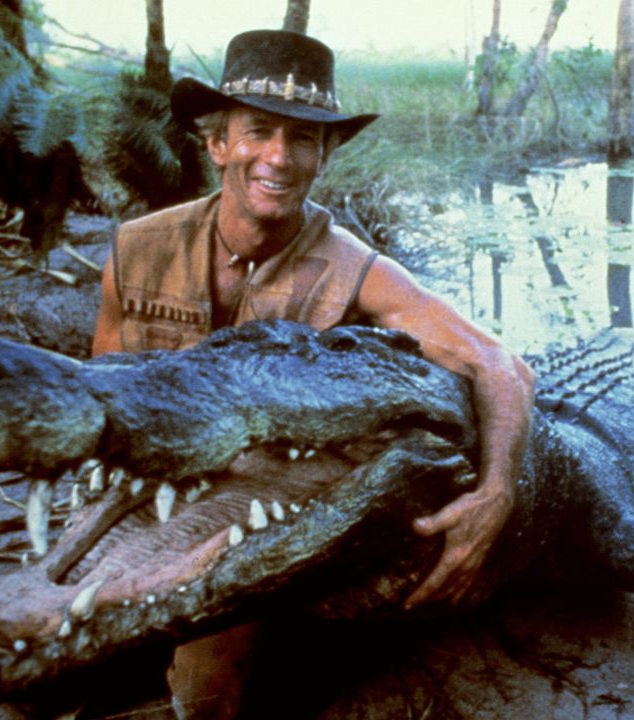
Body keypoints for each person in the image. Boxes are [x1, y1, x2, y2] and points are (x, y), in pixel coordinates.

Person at [91, 29, 536, 720]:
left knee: (208, 695)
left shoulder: (357, 270)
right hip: (152, 498)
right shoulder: (137, 248)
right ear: (217, 144)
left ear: (323, 156)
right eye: (258, 131)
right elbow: (102, 395)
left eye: (302, 138)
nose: (279, 156)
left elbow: (500, 364)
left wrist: (496, 495)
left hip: (264, 521)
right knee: (42, 666)